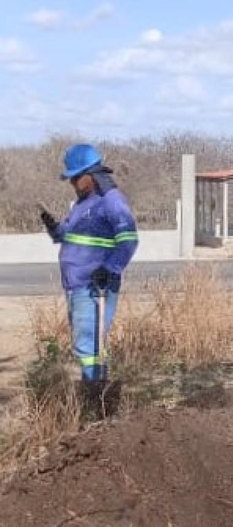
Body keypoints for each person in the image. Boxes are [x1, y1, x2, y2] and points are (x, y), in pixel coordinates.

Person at [39, 143, 138, 409]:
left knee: (90, 344)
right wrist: (53, 227)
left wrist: (110, 269)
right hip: (75, 286)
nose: (71, 182)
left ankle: (96, 399)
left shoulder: (112, 201)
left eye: (74, 177)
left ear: (90, 175)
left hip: (95, 286)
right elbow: (67, 236)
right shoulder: (83, 204)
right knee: (85, 343)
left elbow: (128, 240)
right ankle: (94, 394)